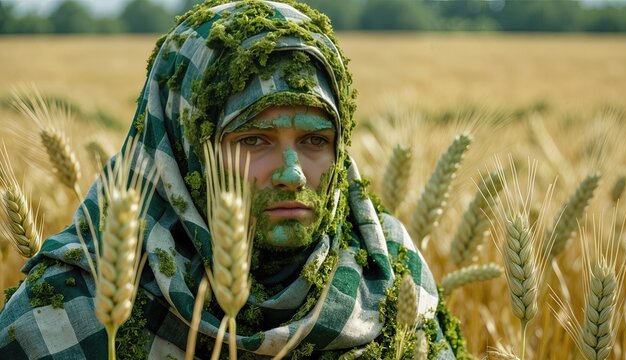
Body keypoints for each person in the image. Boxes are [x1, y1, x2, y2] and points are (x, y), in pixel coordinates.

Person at [0, 1, 467, 358]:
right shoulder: (65, 311)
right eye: (253, 141)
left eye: (316, 140)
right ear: (182, 151)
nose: (292, 174)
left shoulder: (391, 279)